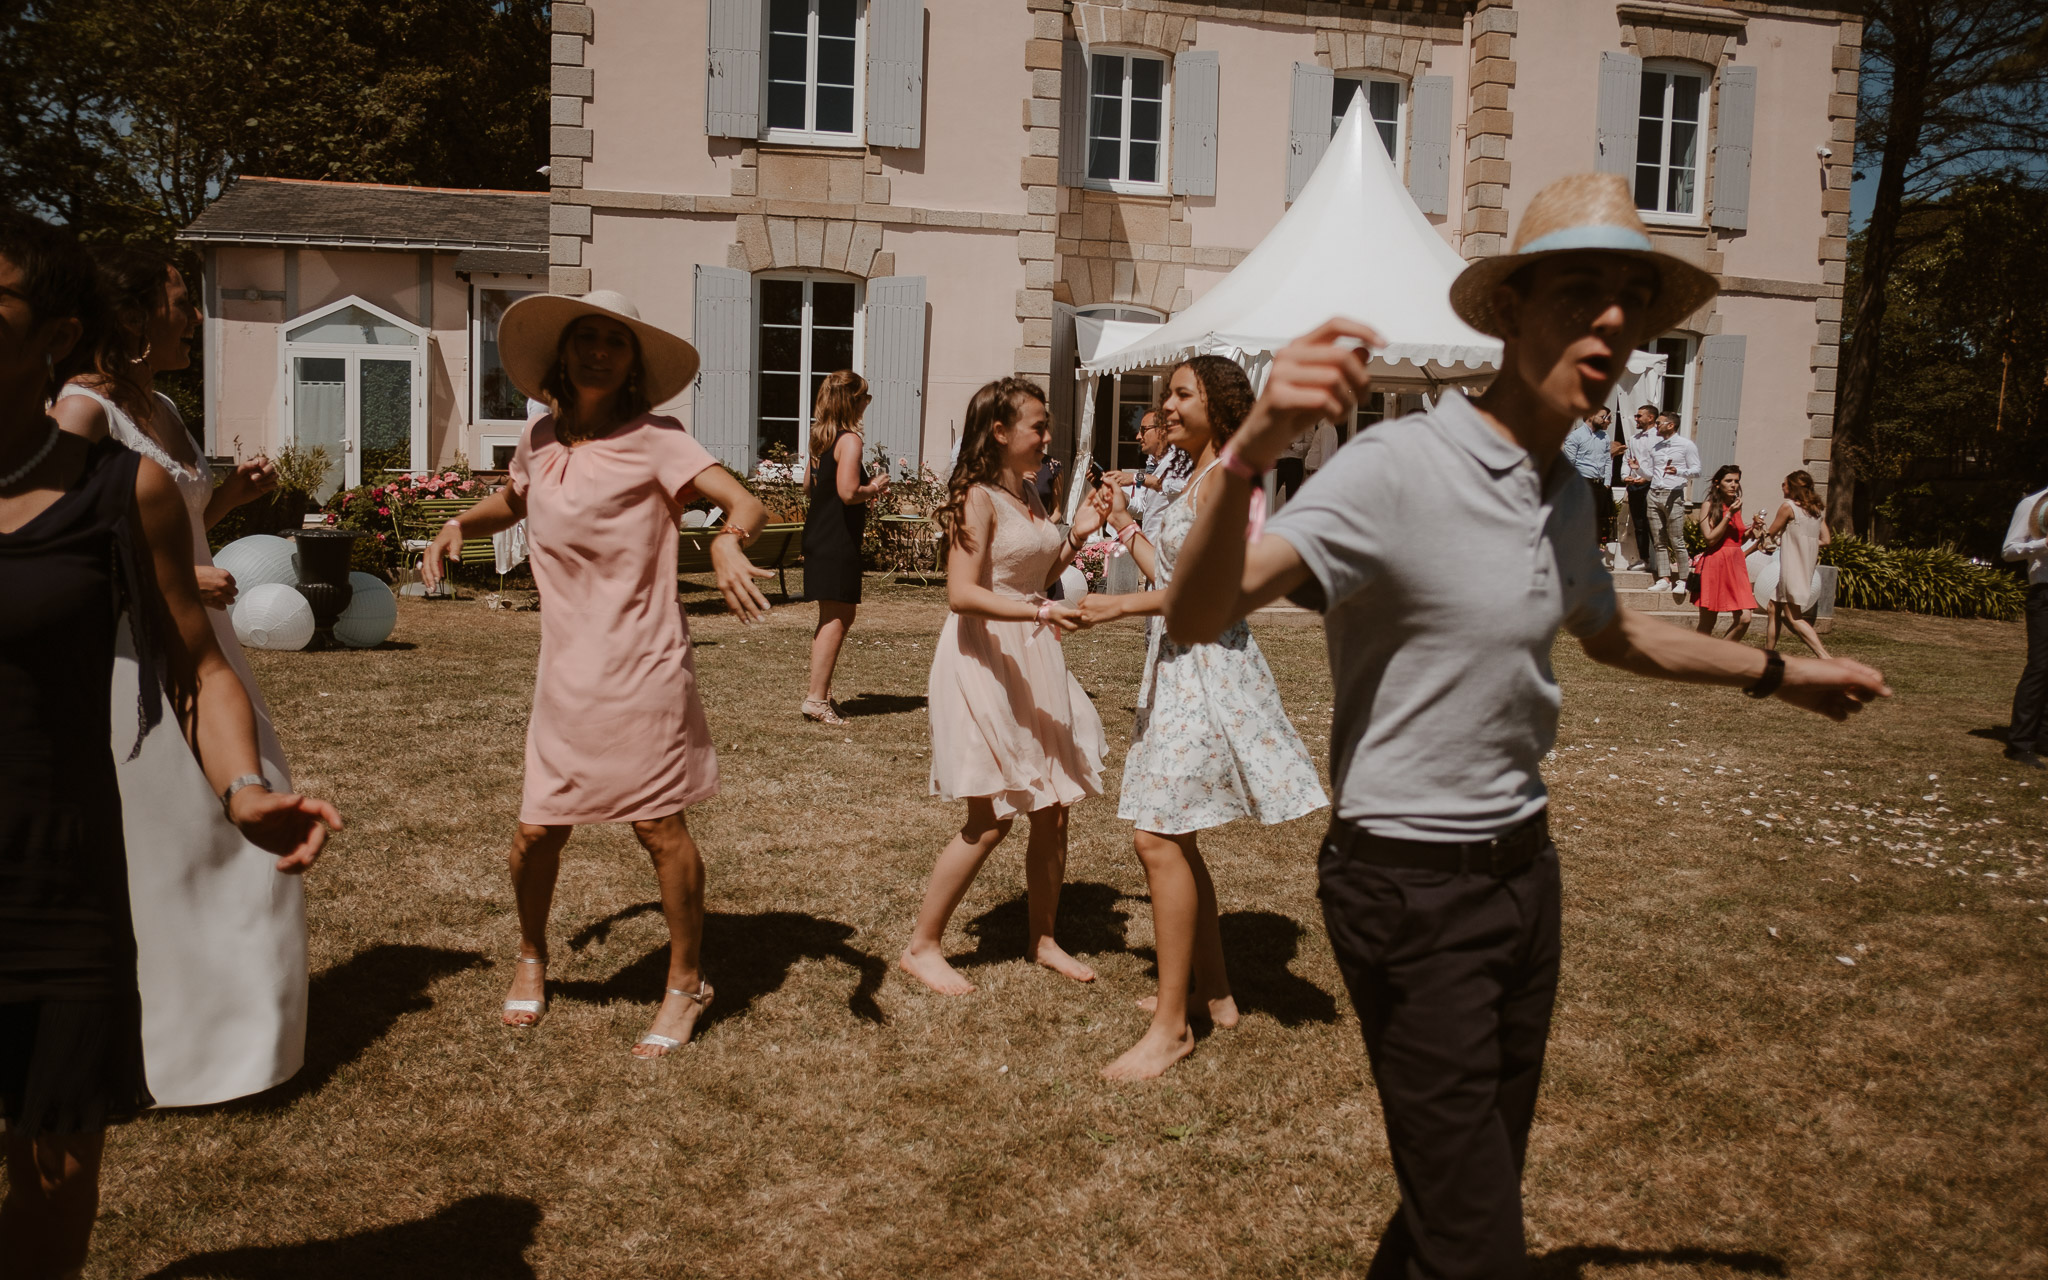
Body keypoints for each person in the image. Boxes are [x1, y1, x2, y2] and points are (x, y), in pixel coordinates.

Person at [1161, 173, 1890, 1280]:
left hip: (1523, 878)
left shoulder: (1564, 492)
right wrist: (1248, 451)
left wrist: (1776, 672)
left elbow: (1612, 635)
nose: (1609, 318)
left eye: (1630, 299)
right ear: (1506, 311)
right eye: (1579, 289)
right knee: (1476, 1236)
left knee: (1470, 1184)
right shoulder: (1391, 469)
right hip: (1404, 888)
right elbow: (1199, 607)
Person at [0, 211, 338, 1280]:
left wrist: (243, 788)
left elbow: (195, 666)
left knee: (49, 1174)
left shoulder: (116, 489)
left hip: (54, 886)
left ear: (50, 334)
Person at [420, 290, 773, 1059]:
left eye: (615, 341)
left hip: (644, 662)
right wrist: (457, 523)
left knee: (657, 825)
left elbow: (745, 503)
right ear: (562, 354)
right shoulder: (541, 437)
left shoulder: (658, 439)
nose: (598, 352)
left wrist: (725, 543)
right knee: (537, 830)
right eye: (585, 338)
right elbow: (514, 498)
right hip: (566, 670)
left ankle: (686, 983)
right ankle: (531, 953)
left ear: (633, 363)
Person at [49, 247, 311, 1109]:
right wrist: (164, 579)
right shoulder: (81, 411)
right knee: (170, 855)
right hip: (132, 654)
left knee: (238, 833)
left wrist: (232, 498)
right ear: (128, 316)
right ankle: (168, 1052)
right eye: (178, 302)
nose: (193, 318)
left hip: (209, 649)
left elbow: (181, 519)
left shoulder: (160, 406)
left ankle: (243, 1043)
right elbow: (49, 538)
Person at [1078, 356, 1327, 1080]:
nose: (1167, 406)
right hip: (1179, 663)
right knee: (1174, 837)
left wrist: (1116, 604)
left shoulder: (1228, 479)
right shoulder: (1196, 478)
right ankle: (1215, 994)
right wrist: (1125, 525)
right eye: (1167, 394)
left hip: (1208, 671)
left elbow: (1211, 587)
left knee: (1155, 838)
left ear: (1219, 406)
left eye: (1181, 394)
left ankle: (1171, 1028)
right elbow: (1171, 571)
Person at [898, 378, 1109, 997]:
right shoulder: (977, 498)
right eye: (1038, 426)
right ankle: (923, 947)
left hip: (1032, 651)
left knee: (1053, 806)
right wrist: (1041, 613)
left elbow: (1034, 572)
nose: (1048, 437)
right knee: (991, 815)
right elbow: (963, 593)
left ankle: (1042, 939)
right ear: (999, 431)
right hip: (985, 654)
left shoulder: (1027, 493)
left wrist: (1077, 535)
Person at [800, 370, 889, 726]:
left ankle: (820, 694)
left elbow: (809, 486)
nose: (868, 404)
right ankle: (816, 699)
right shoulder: (850, 440)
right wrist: (876, 487)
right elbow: (849, 492)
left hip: (820, 533)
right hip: (837, 538)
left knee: (835, 616)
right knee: (837, 617)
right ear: (853, 401)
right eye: (865, 398)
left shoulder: (820, 438)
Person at [1760, 469, 1835, 662]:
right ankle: (1769, 654)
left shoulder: (1788, 507)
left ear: (1792, 487)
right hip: (1805, 566)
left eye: (1784, 484)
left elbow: (1770, 533)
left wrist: (1759, 526)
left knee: (1794, 617)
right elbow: (1826, 540)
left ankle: (1824, 656)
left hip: (1791, 567)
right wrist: (1803, 543)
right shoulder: (1817, 511)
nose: (1782, 487)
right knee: (1772, 606)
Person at [2002, 482, 2048, 770]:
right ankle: (2020, 743)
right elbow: (2008, 551)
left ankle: (2044, 737)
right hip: (2045, 594)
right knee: (2041, 666)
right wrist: (2042, 544)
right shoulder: (2032, 503)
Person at [1693, 464, 1758, 642]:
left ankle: (1719, 655)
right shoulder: (1709, 505)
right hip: (1714, 564)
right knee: (1707, 622)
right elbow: (1710, 539)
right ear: (1717, 483)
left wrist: (1751, 531)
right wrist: (1729, 515)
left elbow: (1736, 541)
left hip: (1736, 565)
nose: (1733, 485)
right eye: (1728, 481)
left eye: (1736, 481)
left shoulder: (1735, 505)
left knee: (1745, 618)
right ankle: (1698, 660)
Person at [1646, 411, 1698, 595]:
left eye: (1658, 423)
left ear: (1670, 425)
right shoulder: (1656, 447)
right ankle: (1664, 578)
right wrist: (1636, 470)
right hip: (1653, 493)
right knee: (1659, 539)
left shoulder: (1686, 445)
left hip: (1673, 494)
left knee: (1677, 539)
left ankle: (1683, 579)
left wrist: (1679, 471)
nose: (1655, 426)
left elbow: (1697, 470)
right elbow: (1651, 472)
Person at [1561, 408, 1614, 550]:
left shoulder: (1605, 436)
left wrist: (1607, 482)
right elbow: (1570, 463)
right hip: (1582, 481)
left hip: (1600, 484)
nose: (1605, 419)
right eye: (1603, 416)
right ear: (1591, 416)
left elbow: (1607, 460)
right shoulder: (1575, 436)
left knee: (1597, 520)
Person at [1620, 403, 1660, 572]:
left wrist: (1646, 478)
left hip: (1652, 485)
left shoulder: (1659, 438)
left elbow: (1659, 463)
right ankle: (1645, 559)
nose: (1636, 418)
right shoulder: (1634, 439)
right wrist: (1625, 476)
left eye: (1639, 415)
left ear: (1650, 418)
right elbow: (1626, 460)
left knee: (1656, 525)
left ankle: (1660, 561)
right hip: (1635, 486)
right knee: (1639, 524)